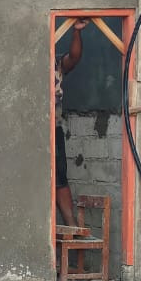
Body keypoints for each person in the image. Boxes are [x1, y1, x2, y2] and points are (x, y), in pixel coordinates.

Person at [55, 19, 88, 229]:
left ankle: (71, 225)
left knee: (60, 177)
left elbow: (74, 57)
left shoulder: (56, 63)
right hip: (26, 129)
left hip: (52, 127)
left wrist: (76, 32)